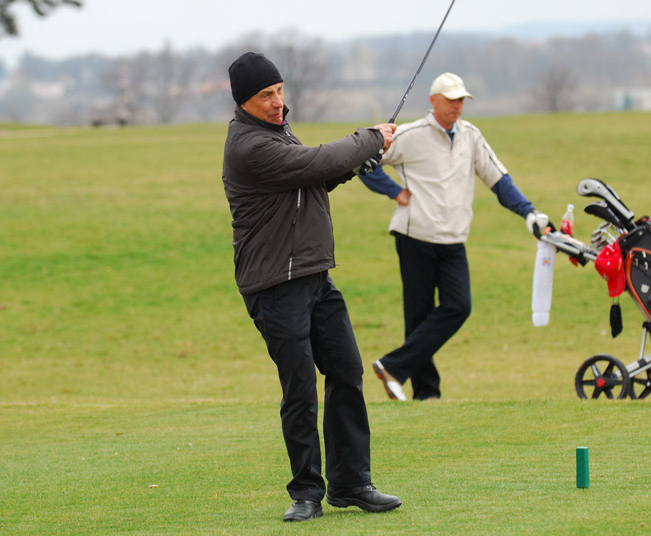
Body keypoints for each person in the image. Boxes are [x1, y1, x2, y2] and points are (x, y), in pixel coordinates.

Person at [221, 51, 402, 523]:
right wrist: (370, 138)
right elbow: (313, 162)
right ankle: (307, 493)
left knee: (346, 371)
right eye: (267, 95)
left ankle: (351, 483)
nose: (279, 101)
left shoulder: (277, 132)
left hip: (314, 277)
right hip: (274, 286)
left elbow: (314, 177)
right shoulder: (248, 146)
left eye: (280, 90)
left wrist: (354, 164)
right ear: (244, 102)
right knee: (300, 387)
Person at [359, 72, 550, 402]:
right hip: (414, 235)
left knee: (458, 307)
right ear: (433, 101)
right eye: (451, 100)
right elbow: (366, 160)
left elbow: (498, 180)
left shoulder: (471, 136)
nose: (457, 106)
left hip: (452, 240)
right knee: (418, 316)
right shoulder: (411, 134)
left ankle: (393, 367)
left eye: (461, 100)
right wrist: (393, 191)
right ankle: (427, 394)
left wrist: (528, 212)